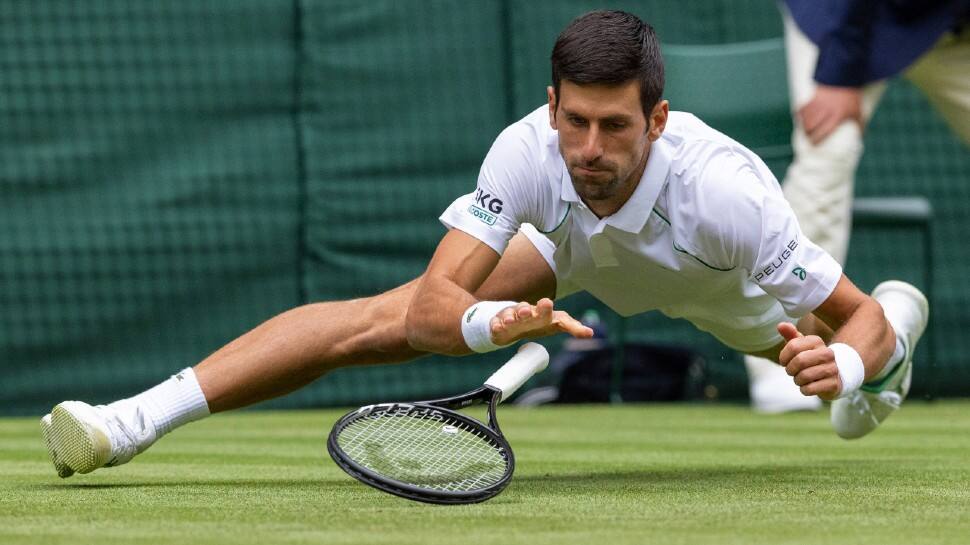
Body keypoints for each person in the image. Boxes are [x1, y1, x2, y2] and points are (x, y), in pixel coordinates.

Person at [41, 10, 929, 478]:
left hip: (730, 293)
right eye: (572, 121)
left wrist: (848, 365)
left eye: (614, 127)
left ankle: (891, 355)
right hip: (575, 252)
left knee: (861, 374)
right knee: (377, 322)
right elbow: (433, 306)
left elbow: (848, 318)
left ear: (657, 120)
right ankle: (129, 423)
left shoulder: (730, 192)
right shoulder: (531, 154)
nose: (589, 149)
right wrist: (489, 322)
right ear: (552, 107)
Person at [745, 0, 968, 414]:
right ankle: (788, 355)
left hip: (949, 25)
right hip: (844, 16)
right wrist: (837, 75)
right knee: (829, 151)